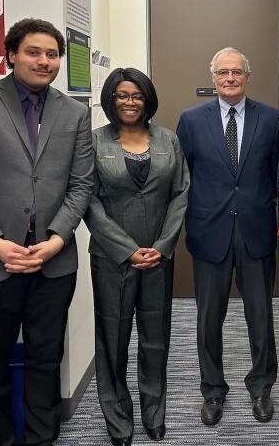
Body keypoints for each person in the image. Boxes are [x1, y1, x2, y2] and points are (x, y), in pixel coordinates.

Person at [0, 18, 94, 446]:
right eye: (33, 52)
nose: (44, 61)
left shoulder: (74, 112)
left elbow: (81, 184)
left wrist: (57, 240)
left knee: (46, 360)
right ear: (11, 54)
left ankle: (41, 438)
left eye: (52, 54)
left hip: (52, 260)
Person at [176, 47, 279, 426]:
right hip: (210, 232)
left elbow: (277, 174)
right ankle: (212, 390)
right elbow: (183, 177)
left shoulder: (271, 119)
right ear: (213, 78)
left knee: (261, 316)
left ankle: (261, 387)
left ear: (247, 76)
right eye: (222, 73)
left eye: (236, 72)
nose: (230, 78)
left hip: (256, 230)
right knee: (208, 319)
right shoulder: (190, 121)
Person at [84, 68, 189, 445]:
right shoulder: (94, 142)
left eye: (137, 95)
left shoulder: (168, 140)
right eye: (122, 95)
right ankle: (118, 420)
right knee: (113, 337)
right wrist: (127, 250)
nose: (130, 102)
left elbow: (180, 195)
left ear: (148, 99)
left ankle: (153, 411)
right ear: (111, 99)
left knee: (155, 336)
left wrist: (162, 246)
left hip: (159, 256)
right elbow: (88, 199)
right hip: (112, 257)